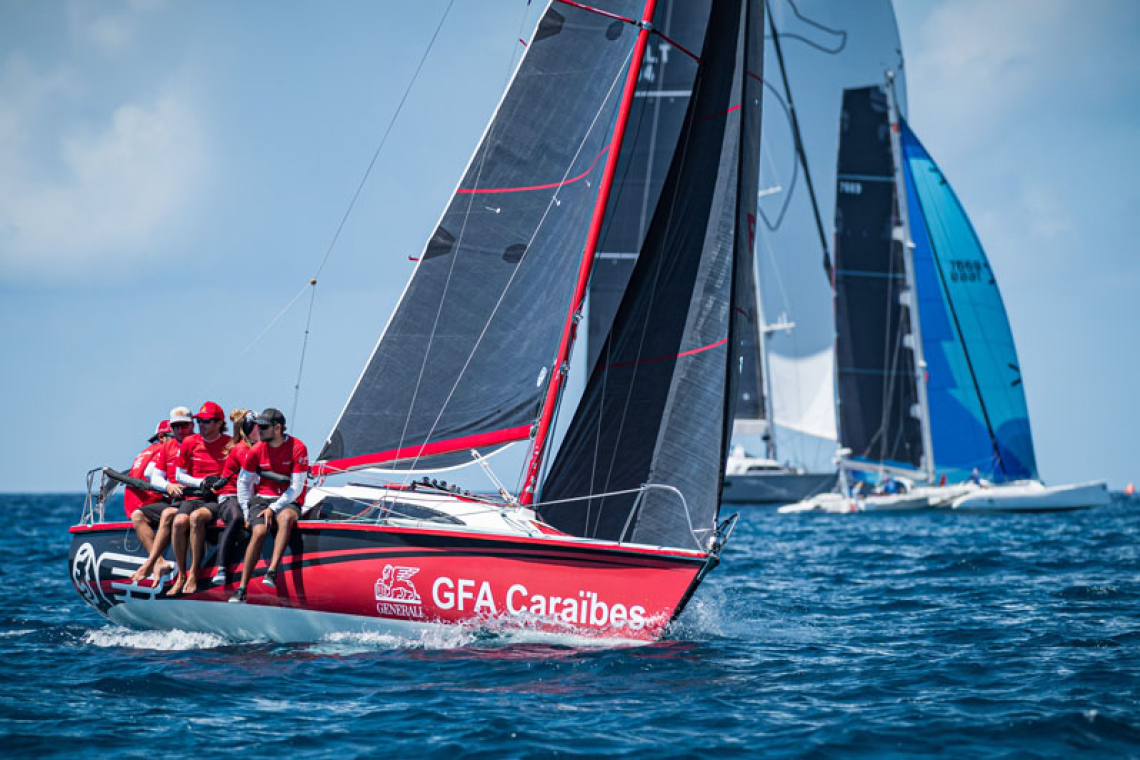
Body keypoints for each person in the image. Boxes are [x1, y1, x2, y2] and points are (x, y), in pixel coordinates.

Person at [229, 408, 308, 603]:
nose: (259, 430)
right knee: (259, 532)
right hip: (262, 498)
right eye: (258, 426)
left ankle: (272, 571)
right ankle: (242, 589)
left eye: (264, 427)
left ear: (278, 428)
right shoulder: (256, 449)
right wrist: (247, 513)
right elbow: (243, 482)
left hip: (288, 499)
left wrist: (273, 508)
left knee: (286, 518)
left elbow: (296, 488)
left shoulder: (298, 448)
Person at [168, 401, 232, 596]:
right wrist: (201, 482)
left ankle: (194, 574)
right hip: (194, 495)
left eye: (206, 421)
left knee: (196, 518)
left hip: (216, 498)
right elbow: (179, 475)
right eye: (199, 421)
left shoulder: (230, 444)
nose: (201, 425)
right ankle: (181, 575)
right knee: (179, 521)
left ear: (219, 423)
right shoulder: (190, 442)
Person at [131, 406, 196, 583]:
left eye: (184, 426)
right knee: (137, 516)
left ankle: (150, 565)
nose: (180, 431)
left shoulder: (200, 444)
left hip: (195, 500)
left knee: (169, 514)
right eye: (175, 427)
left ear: (192, 425)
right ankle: (159, 562)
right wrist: (168, 486)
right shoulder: (167, 448)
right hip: (174, 500)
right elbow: (155, 476)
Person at [210, 408, 260, 587]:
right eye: (257, 427)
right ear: (247, 429)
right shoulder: (242, 450)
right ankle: (221, 568)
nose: (262, 430)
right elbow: (249, 482)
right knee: (237, 517)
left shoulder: (257, 448)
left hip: (247, 496)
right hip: (229, 496)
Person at [124, 420, 172, 574]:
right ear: (162, 437)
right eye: (174, 433)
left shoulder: (147, 451)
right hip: (147, 504)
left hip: (134, 506)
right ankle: (158, 561)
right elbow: (151, 475)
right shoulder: (162, 450)